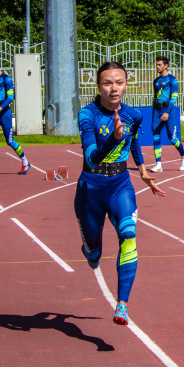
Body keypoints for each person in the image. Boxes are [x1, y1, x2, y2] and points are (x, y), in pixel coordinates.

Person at [74, 61, 165, 326]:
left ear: (126, 84)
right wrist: (113, 138)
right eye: (107, 83)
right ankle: (90, 251)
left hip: (120, 185)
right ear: (98, 87)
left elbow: (133, 142)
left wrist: (142, 170)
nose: (114, 89)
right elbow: (91, 158)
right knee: (94, 252)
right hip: (90, 189)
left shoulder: (134, 115)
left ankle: (122, 305)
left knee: (128, 233)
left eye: (119, 82)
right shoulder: (87, 115)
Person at [149, 56, 184, 172]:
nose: (157, 67)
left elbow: (174, 97)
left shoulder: (172, 80)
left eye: (159, 65)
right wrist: (154, 112)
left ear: (166, 65)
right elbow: (155, 97)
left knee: (172, 138)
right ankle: (158, 164)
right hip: (157, 110)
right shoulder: (156, 81)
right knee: (156, 136)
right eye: (156, 64)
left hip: (168, 111)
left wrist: (167, 112)